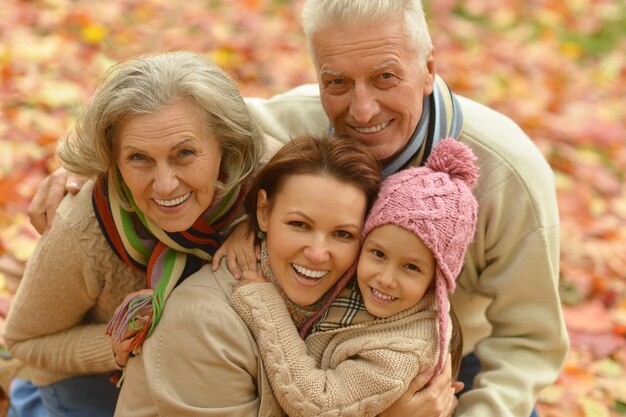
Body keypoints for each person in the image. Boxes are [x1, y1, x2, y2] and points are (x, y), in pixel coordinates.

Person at [27, 0, 569, 415]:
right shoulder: (296, 124)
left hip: (441, 351)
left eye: (385, 77)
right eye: (336, 82)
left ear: (428, 67)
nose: (361, 109)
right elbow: (181, 123)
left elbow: (526, 343)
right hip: (315, 340)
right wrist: (90, 166)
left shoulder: (509, 176)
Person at [3, 50, 264, 417]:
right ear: (112, 159)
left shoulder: (263, 188)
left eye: (184, 153)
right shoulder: (81, 230)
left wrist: (249, 222)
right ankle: (29, 401)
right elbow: (24, 340)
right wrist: (117, 343)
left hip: (202, 370)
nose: (165, 184)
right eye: (138, 158)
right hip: (92, 380)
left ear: (225, 144)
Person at [112, 134, 383, 416]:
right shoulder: (205, 323)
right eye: (299, 224)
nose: (317, 253)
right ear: (263, 212)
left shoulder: (349, 304)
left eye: (342, 234)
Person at [231, 138, 478, 417]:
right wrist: (247, 227)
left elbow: (316, 404)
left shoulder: (402, 352)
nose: (385, 278)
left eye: (411, 267)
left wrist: (264, 306)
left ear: (437, 280)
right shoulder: (356, 284)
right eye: (378, 254)